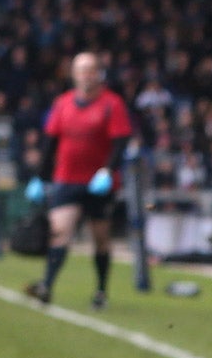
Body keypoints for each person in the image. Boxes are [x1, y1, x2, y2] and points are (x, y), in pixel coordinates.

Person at [25, 52, 134, 310]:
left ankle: (100, 291)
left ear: (99, 74)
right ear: (74, 75)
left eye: (90, 70)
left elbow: (120, 142)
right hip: (67, 179)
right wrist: (40, 177)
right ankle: (47, 286)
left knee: (101, 238)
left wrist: (108, 171)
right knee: (59, 232)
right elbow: (50, 142)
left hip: (98, 182)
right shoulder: (63, 103)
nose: (86, 75)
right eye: (81, 70)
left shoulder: (112, 104)